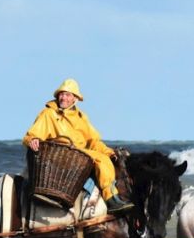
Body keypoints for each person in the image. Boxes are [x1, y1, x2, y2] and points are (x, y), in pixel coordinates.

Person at [23, 78, 133, 213]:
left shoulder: (81, 117)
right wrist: (33, 139)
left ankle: (109, 197)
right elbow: (33, 133)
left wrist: (109, 152)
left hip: (78, 156)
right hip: (59, 156)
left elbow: (94, 141)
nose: (63, 98)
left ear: (75, 99)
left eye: (68, 95)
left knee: (106, 158)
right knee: (101, 160)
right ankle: (110, 199)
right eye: (61, 94)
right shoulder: (49, 113)